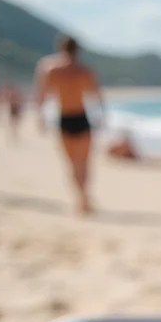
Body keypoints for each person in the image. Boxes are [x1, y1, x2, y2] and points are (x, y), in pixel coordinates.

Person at [34, 35, 103, 214]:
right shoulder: (84, 70)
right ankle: (84, 196)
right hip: (82, 116)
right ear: (77, 50)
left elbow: (42, 95)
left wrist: (40, 117)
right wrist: (101, 117)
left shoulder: (50, 68)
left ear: (60, 48)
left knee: (72, 163)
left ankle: (80, 198)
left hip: (64, 118)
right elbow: (96, 95)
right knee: (84, 162)